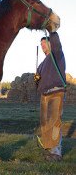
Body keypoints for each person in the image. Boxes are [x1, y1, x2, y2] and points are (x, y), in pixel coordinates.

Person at [34, 32, 66, 161]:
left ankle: (56, 152)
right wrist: (36, 79)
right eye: (41, 44)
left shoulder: (56, 55)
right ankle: (49, 148)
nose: (42, 46)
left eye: (44, 43)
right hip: (44, 94)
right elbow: (39, 83)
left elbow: (57, 44)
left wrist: (51, 31)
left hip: (55, 92)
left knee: (54, 121)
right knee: (45, 123)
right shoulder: (42, 63)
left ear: (50, 43)